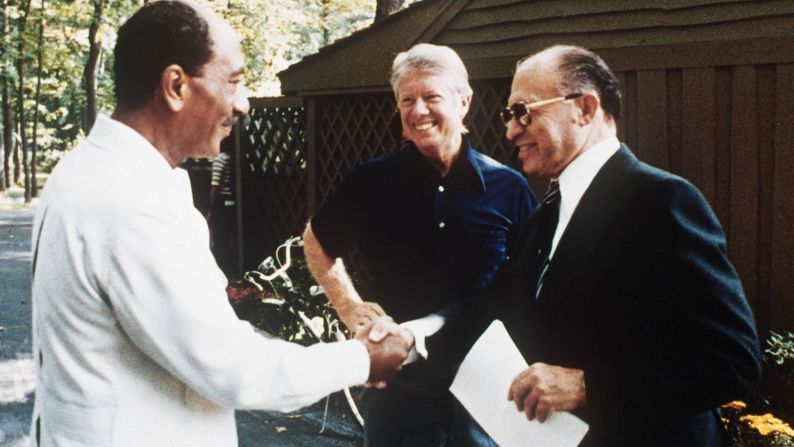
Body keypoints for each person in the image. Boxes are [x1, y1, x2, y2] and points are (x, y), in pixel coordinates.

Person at [28, 2, 411, 445]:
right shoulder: (129, 201)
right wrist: (362, 358)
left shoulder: (90, 170)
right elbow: (232, 367)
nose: (244, 103)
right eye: (234, 82)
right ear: (175, 86)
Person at [433, 45, 762, 446]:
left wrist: (588, 386)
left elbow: (732, 361)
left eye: (523, 111)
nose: (510, 130)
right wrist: (409, 337)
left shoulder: (662, 201)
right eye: (508, 115)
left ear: (585, 109)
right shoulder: (544, 218)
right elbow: (490, 306)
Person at [303, 43, 536, 446]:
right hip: (400, 382)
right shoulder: (371, 182)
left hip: (486, 382)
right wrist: (348, 305)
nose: (418, 111)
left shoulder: (508, 187)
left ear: (464, 102)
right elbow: (317, 240)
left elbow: (530, 277)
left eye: (431, 97)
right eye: (406, 100)